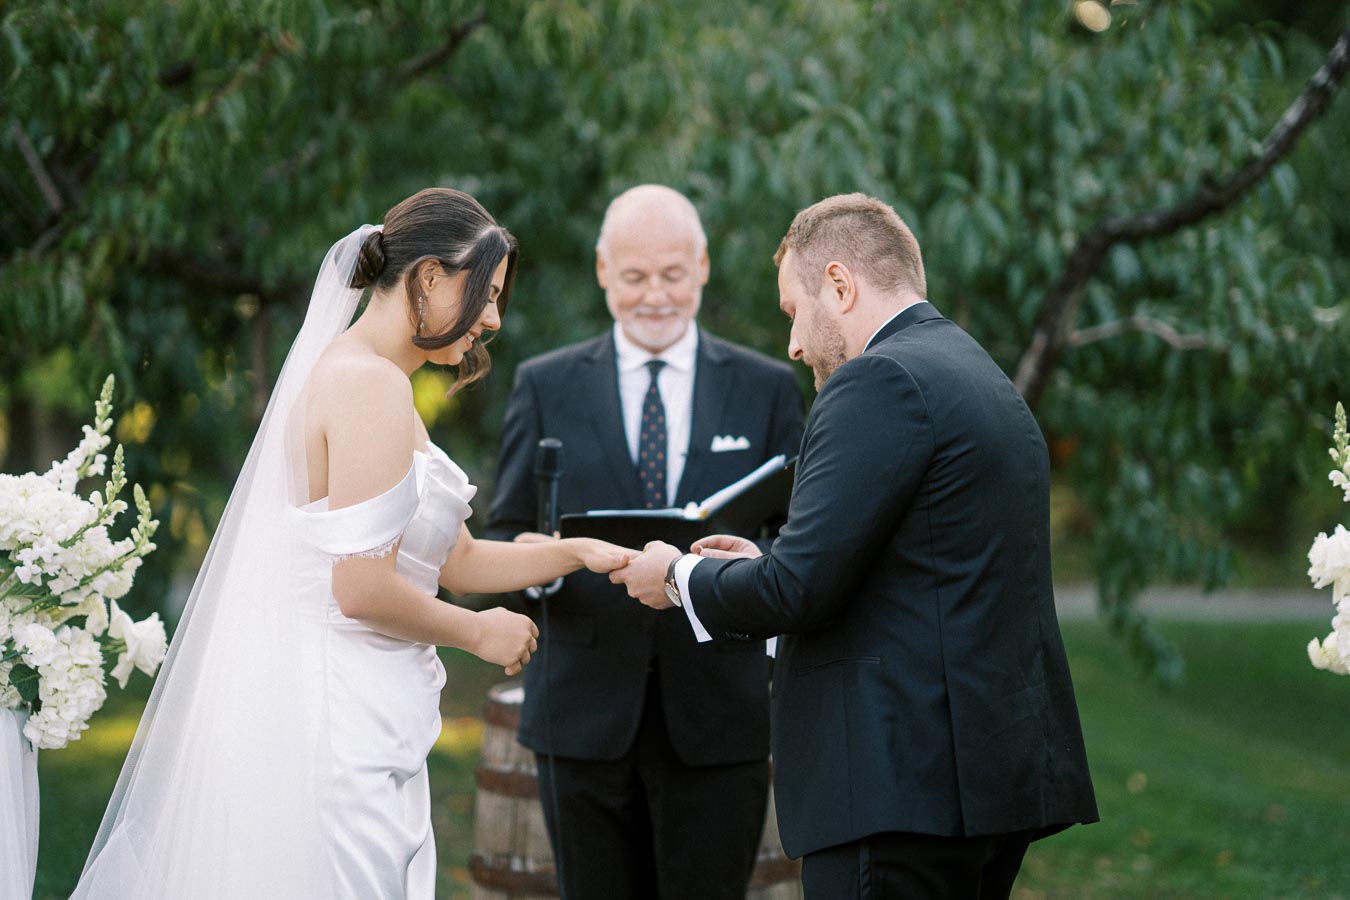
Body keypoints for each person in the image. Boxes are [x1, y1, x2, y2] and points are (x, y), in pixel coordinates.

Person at [72, 188, 632, 900]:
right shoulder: (368, 386)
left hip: (367, 710)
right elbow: (360, 588)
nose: (492, 319)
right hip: (337, 722)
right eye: (485, 294)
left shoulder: (375, 378)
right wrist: (476, 631)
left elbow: (454, 558)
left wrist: (578, 553)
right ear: (430, 276)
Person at [612, 193, 1099, 899]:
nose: (794, 346)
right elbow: (910, 572)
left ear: (838, 286)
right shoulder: (976, 373)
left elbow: (794, 591)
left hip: (897, 785)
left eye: (792, 314)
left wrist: (679, 575)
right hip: (986, 781)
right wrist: (765, 565)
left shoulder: (877, 380)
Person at [486, 184, 805, 899]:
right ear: (603, 270)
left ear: (703, 266)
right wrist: (545, 564)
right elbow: (501, 534)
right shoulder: (545, 385)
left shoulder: (768, 388)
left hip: (721, 715)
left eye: (671, 275)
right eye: (634, 277)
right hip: (580, 714)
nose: (654, 296)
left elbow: (802, 543)